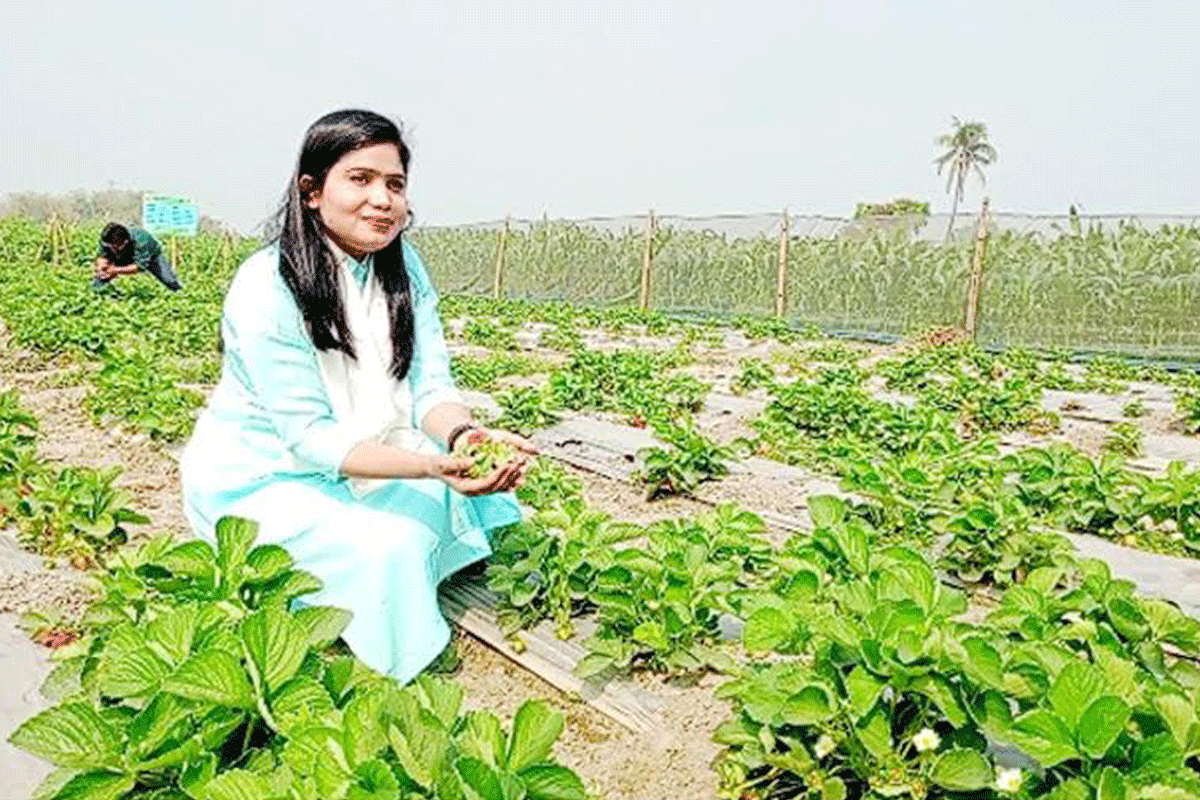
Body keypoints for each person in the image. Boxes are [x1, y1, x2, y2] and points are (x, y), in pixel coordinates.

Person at [179, 109, 534, 682]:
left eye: (394, 184)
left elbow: (430, 386)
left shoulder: (403, 268)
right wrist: (428, 467)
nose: (382, 200)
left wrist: (465, 439)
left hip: (367, 452)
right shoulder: (267, 286)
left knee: (474, 499)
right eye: (360, 179)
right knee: (390, 551)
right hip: (270, 478)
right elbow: (310, 438)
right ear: (312, 191)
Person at [92, 222, 184, 292]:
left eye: (114, 247)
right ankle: (96, 294)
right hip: (121, 254)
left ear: (124, 243)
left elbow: (139, 267)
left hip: (152, 256)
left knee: (168, 279)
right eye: (109, 246)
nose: (110, 248)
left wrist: (115, 270)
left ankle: (180, 294)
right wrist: (102, 266)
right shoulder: (108, 239)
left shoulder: (142, 241)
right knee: (102, 277)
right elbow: (102, 255)